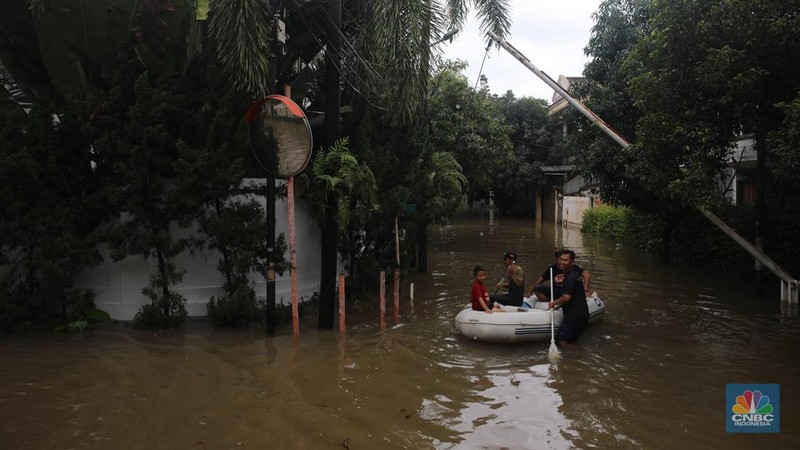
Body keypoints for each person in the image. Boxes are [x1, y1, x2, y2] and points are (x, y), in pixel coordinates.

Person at [548, 249, 590, 345]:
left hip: (574, 317)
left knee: (562, 342)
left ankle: (575, 357)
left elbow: (566, 297)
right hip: (582, 315)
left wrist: (554, 303)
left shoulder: (570, 277)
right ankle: (577, 356)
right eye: (561, 259)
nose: (562, 262)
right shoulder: (574, 274)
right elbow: (572, 296)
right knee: (571, 342)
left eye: (565, 260)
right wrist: (558, 307)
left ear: (572, 262)